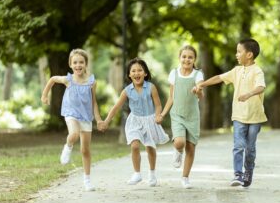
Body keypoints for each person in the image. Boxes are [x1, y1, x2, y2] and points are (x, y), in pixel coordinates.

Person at [195, 38, 267, 188]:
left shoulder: (257, 71)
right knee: (238, 145)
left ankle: (248, 171)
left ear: (249, 55)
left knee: (250, 148)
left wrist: (248, 94)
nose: (236, 54)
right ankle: (238, 174)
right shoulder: (236, 71)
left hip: (255, 116)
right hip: (239, 116)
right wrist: (202, 84)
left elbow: (261, 87)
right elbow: (219, 78)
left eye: (239, 51)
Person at [98, 58, 169, 187]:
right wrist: (106, 121)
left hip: (150, 120)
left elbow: (158, 105)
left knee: (150, 147)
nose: (137, 73)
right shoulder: (127, 91)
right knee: (135, 145)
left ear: (145, 73)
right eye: (133, 71)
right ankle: (137, 173)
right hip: (134, 121)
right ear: (129, 75)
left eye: (140, 70)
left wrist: (158, 115)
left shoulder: (151, 87)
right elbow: (116, 108)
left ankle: (152, 174)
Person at [41, 49, 102, 191]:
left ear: (86, 64)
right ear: (70, 64)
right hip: (71, 113)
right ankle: (67, 147)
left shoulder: (92, 82)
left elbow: (94, 102)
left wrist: (98, 119)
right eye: (75, 62)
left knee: (85, 150)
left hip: (86, 116)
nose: (78, 65)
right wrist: (45, 95)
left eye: (81, 62)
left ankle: (87, 180)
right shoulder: (68, 80)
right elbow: (52, 80)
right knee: (74, 134)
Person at [160, 45, 204, 189]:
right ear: (179, 58)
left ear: (194, 59)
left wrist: (197, 90)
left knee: (191, 148)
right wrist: (163, 114)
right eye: (184, 56)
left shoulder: (198, 74)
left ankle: (185, 178)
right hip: (177, 114)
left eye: (190, 57)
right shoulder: (174, 73)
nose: (187, 59)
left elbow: (201, 95)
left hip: (192, 116)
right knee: (180, 142)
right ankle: (178, 152)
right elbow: (171, 97)